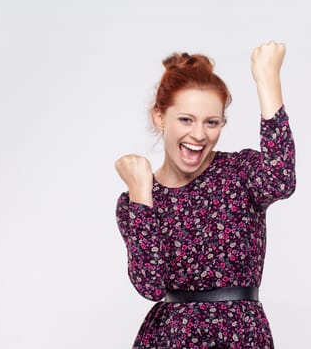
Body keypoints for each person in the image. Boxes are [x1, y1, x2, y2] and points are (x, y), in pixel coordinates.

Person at [115, 41, 296, 348]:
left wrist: (268, 82)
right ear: (160, 117)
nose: (199, 135)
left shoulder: (240, 171)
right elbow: (150, 285)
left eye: (211, 122)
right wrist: (142, 195)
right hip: (170, 338)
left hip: (240, 336)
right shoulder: (136, 199)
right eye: (186, 119)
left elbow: (281, 180)